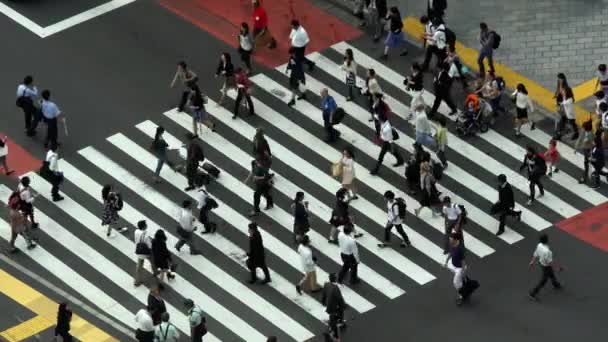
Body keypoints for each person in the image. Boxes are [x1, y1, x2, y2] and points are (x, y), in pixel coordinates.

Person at [528, 233, 563, 301]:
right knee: (544, 280)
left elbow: (536, 253)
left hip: (541, 264)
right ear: (547, 240)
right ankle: (532, 293)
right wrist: (557, 268)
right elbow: (550, 262)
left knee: (551, 274)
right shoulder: (548, 252)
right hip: (546, 266)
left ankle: (556, 284)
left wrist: (532, 261)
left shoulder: (539, 245)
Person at [444, 233, 467, 305]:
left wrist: (463, 271)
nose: (450, 240)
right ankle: (463, 280)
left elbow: (463, 261)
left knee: (456, 283)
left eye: (451, 239)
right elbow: (450, 253)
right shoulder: (452, 244)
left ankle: (461, 296)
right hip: (454, 265)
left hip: (459, 268)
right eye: (450, 239)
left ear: (456, 240)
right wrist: (446, 261)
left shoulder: (460, 249)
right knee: (459, 280)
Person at [321, 273, 346, 340]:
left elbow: (324, 294)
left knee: (333, 318)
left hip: (328, 305)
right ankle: (331, 333)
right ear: (334, 279)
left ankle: (332, 330)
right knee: (335, 318)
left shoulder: (326, 284)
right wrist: (344, 305)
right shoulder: (335, 288)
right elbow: (339, 298)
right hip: (334, 306)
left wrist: (323, 302)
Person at [134, 220, 153, 286]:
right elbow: (150, 245)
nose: (147, 225)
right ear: (144, 226)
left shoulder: (136, 231)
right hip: (145, 251)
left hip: (138, 250)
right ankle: (156, 274)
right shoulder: (145, 235)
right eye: (146, 224)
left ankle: (137, 281)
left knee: (139, 266)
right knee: (153, 262)